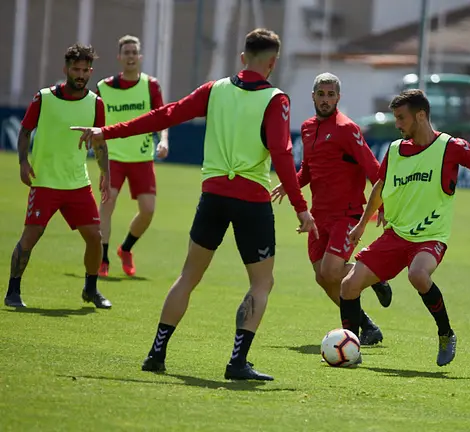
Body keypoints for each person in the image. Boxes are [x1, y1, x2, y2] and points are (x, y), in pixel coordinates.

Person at [71, 28, 317, 381]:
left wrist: (106, 131)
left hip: (213, 197)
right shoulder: (276, 99)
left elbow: (165, 115)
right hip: (251, 201)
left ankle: (156, 354)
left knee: (188, 276)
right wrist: (300, 207)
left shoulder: (214, 89)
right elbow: (282, 153)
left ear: (242, 58)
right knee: (261, 283)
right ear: (273, 63)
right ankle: (237, 363)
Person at [342, 89, 470, 366]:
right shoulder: (395, 150)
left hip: (430, 237)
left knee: (418, 275)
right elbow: (380, 187)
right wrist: (362, 225)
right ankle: (350, 350)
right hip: (395, 235)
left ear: (420, 116)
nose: (397, 124)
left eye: (401, 118)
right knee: (349, 286)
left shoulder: (451, 146)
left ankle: (445, 333)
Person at [271, 72, 392, 346]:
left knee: (332, 270)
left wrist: (381, 202)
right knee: (322, 277)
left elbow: (372, 166)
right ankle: (367, 325)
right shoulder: (306, 127)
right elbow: (309, 169)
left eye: (331, 95)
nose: (325, 99)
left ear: (338, 98)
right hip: (318, 216)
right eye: (321, 94)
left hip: (347, 213)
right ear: (313, 96)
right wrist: (290, 183)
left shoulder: (347, 128)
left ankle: (373, 277)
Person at [5, 44, 112, 309]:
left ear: (91, 71)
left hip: (78, 184)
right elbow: (25, 131)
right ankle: (13, 291)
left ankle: (91, 289)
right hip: (45, 183)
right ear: (65, 69)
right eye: (75, 69)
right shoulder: (43, 97)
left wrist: (105, 175)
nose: (80, 74)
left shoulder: (96, 103)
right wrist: (22, 162)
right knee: (31, 237)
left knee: (94, 238)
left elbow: (100, 142)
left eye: (85, 70)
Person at [95, 35, 170, 277]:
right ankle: (102, 258)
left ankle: (125, 249)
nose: (130, 56)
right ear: (119, 57)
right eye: (125, 52)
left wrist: (164, 141)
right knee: (108, 203)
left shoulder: (151, 86)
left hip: (141, 157)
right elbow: (95, 120)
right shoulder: (104, 87)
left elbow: (162, 117)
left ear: (140, 57)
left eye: (133, 52)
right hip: (113, 157)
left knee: (148, 210)